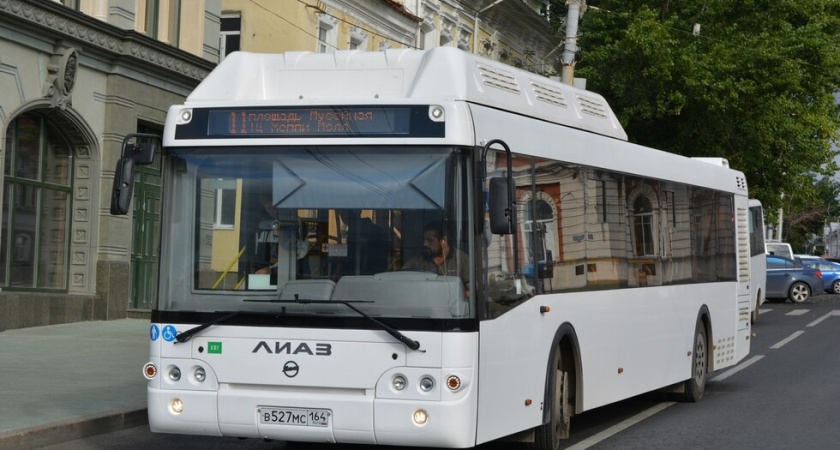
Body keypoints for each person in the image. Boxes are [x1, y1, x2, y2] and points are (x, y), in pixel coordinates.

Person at [403, 221, 470, 295]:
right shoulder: (416, 261)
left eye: (429, 240)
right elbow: (402, 284)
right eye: (424, 240)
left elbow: (471, 290)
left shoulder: (462, 259)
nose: (425, 244)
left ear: (443, 241)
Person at [338, 209, 389, 275]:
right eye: (341, 214)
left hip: (369, 276)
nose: (343, 217)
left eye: (344, 214)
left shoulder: (374, 231)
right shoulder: (352, 231)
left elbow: (374, 257)